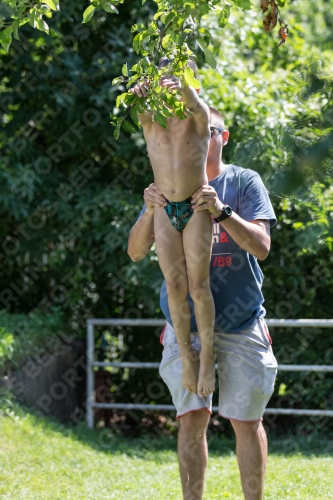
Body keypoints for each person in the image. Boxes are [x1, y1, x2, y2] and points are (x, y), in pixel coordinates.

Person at [127, 106, 278, 500]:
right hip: (185, 328)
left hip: (242, 323)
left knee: (246, 421)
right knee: (191, 418)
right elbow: (136, 251)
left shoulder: (244, 181)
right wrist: (150, 209)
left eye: (205, 129)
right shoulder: (168, 181)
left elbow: (261, 248)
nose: (192, 135)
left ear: (222, 137)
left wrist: (221, 211)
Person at [130, 57, 215, 398]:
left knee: (198, 286)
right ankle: (188, 357)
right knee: (174, 284)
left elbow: (195, 105)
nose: (173, 85)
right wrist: (139, 92)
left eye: (180, 79)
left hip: (195, 207)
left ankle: (208, 356)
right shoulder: (151, 118)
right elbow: (139, 109)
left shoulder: (200, 116)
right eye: (166, 79)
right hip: (165, 208)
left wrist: (184, 87)